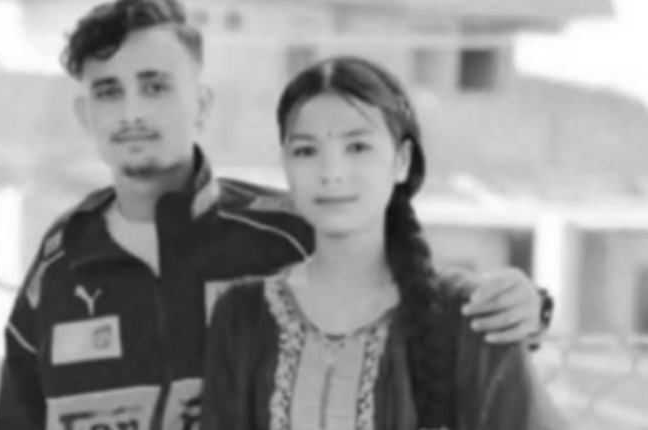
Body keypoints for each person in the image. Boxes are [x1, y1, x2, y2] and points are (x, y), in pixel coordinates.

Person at [0, 1, 552, 429]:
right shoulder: (59, 266)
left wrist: (526, 306)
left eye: (155, 86)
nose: (131, 112)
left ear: (202, 104)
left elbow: (419, 286)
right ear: (85, 114)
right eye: (108, 92)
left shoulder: (288, 232)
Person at [201, 56, 565, 430]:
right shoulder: (241, 315)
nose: (332, 173)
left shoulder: (469, 313)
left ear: (402, 160)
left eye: (358, 147)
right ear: (286, 164)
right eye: (306, 151)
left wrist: (534, 309)